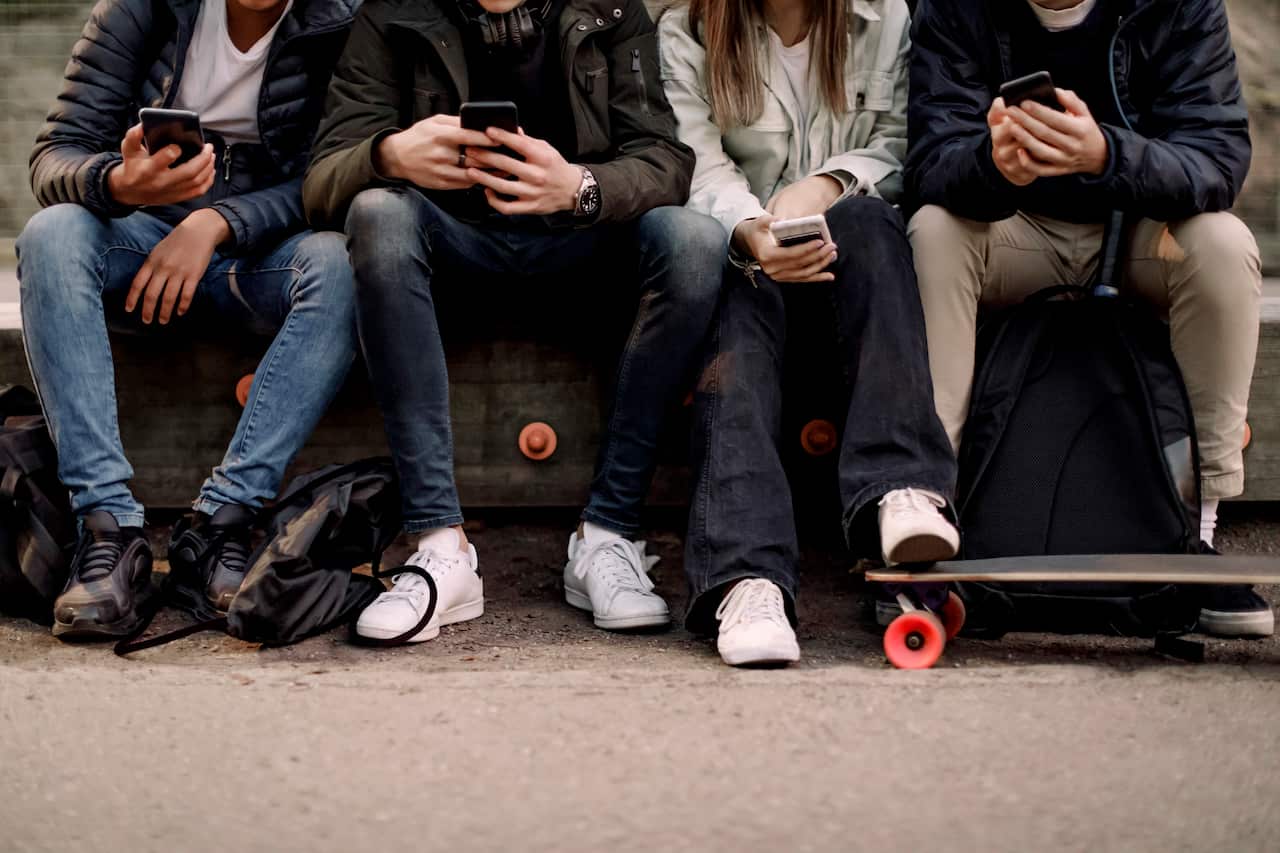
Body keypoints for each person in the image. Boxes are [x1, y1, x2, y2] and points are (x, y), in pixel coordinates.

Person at [303, 0, 725, 643]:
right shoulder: (391, 14)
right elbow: (322, 180)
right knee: (378, 215)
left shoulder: (610, 11)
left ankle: (607, 535)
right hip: (450, 252)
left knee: (692, 240)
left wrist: (580, 186)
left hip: (584, 249)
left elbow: (665, 162)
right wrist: (390, 155)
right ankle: (441, 548)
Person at [905, 0, 1272, 637]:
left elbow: (1216, 163)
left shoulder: (1180, 6)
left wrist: (1107, 156)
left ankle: (1198, 532)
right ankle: (932, 522)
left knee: (1223, 243)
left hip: (1139, 234)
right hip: (1012, 231)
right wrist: (994, 166)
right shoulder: (956, 6)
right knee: (932, 231)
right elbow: (930, 164)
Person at [17, 0, 360, 640]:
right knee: (50, 236)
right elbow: (54, 156)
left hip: (265, 252)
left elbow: (343, 168)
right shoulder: (140, 8)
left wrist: (218, 222)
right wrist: (121, 185)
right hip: (140, 240)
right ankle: (108, 530)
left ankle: (219, 524)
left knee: (342, 262)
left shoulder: (343, 19)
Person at [659, 0, 961, 667]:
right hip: (752, 264)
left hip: (855, 280)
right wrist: (755, 232)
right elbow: (695, 162)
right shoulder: (688, 30)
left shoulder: (883, 18)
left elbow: (904, 144)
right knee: (732, 288)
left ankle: (902, 490)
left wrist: (826, 186)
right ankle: (748, 576)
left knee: (872, 226)